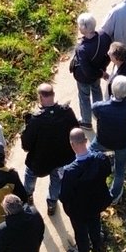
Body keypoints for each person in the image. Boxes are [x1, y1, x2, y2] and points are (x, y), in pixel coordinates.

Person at [20, 83, 80, 216]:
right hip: (62, 159)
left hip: (39, 161)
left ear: (40, 98)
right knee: (56, 182)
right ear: (53, 95)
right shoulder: (67, 112)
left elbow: (26, 146)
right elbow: (76, 131)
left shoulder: (35, 120)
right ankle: (52, 204)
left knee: (30, 176)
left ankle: (28, 196)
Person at [60, 128, 113, 252]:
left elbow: (64, 196)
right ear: (85, 141)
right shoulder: (101, 159)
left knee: (81, 232)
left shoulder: (70, 172)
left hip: (79, 210)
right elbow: (107, 172)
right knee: (95, 222)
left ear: (72, 145)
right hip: (96, 202)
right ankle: (97, 244)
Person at [92, 75, 126, 202]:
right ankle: (114, 196)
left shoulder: (99, 107)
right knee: (120, 170)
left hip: (103, 141)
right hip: (122, 143)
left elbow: (95, 114)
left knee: (89, 152)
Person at [69, 12, 111, 127]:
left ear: (84, 28)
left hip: (84, 78)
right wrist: (101, 71)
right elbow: (108, 56)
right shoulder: (104, 36)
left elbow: (87, 71)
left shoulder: (82, 49)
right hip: (97, 73)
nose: (78, 27)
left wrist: (99, 73)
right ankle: (99, 113)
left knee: (84, 97)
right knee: (97, 90)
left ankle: (86, 121)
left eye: (79, 25)